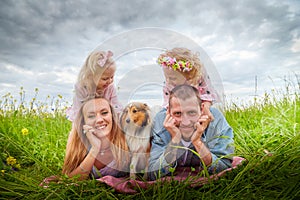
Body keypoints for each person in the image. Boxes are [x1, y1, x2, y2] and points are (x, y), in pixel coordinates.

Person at [148, 84, 234, 181]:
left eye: (191, 113)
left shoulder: (216, 120)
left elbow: (225, 167)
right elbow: (153, 173)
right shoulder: (160, 122)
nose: (185, 122)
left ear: (202, 109)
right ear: (168, 111)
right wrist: (175, 141)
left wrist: (198, 142)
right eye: (178, 113)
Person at [62, 97, 129, 180]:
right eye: (91, 116)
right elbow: (69, 180)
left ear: (112, 115)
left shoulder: (126, 140)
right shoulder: (79, 145)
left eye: (104, 113)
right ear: (84, 122)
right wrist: (94, 149)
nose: (99, 120)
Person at [157, 47, 220, 121]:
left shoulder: (199, 76)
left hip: (199, 104)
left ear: (187, 76)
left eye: (172, 78)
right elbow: (168, 103)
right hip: (177, 108)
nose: (168, 81)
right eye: (166, 77)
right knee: (160, 115)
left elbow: (208, 94)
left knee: (214, 110)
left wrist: (205, 107)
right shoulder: (168, 84)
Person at [66, 50, 123, 122]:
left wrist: (119, 118)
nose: (110, 81)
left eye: (112, 77)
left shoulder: (110, 87)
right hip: (86, 116)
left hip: (104, 116)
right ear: (91, 76)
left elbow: (115, 105)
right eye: (105, 78)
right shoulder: (81, 87)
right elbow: (79, 109)